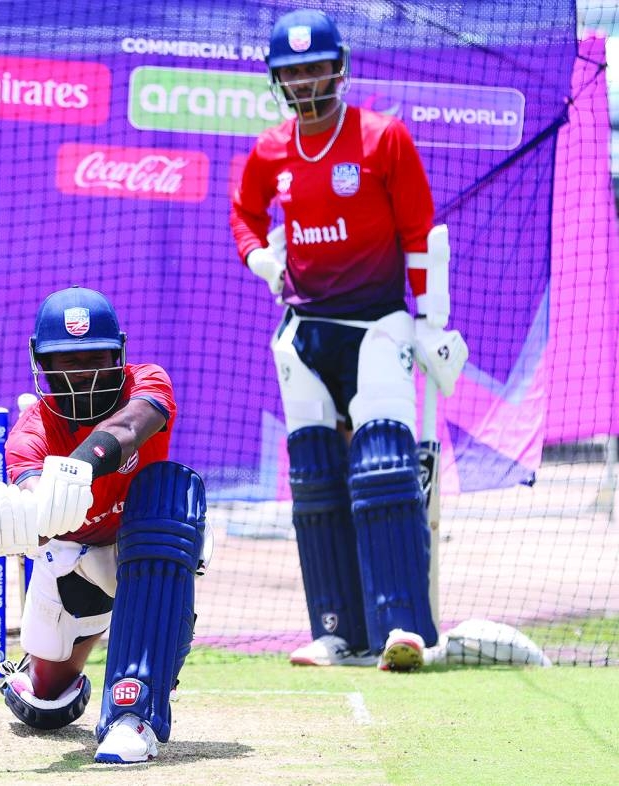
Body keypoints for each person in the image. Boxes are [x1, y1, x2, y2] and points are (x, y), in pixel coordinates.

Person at [230, 9, 468, 671]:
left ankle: (404, 628)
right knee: (313, 480)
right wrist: (264, 263)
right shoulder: (269, 149)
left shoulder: (382, 138)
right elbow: (245, 215)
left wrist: (432, 321)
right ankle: (335, 630)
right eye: (293, 72)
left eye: (317, 68)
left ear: (341, 68)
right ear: (277, 79)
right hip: (306, 330)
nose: (307, 82)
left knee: (384, 469)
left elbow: (421, 231)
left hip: (378, 323)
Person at [0, 285, 209, 764]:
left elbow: (128, 428)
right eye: (67, 361)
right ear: (43, 364)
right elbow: (33, 496)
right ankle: (50, 674)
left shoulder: (148, 382)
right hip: (74, 558)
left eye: (95, 356)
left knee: (168, 494)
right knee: (45, 705)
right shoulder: (31, 432)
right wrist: (23, 518)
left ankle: (133, 714)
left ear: (118, 355)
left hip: (142, 544)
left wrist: (74, 471)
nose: (83, 373)